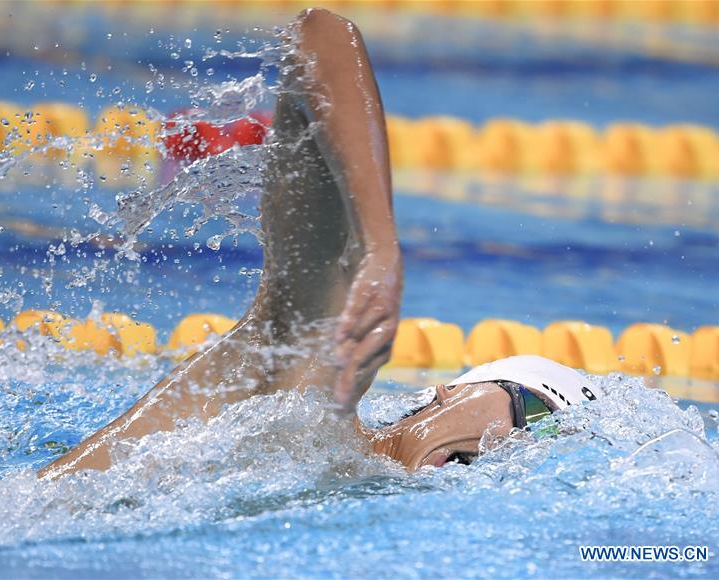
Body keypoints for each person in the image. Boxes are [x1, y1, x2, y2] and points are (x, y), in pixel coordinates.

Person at [38, 9, 602, 480]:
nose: (514, 453)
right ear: (445, 393)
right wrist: (379, 247)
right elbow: (321, 34)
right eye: (532, 413)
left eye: (539, 462)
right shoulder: (310, 377)